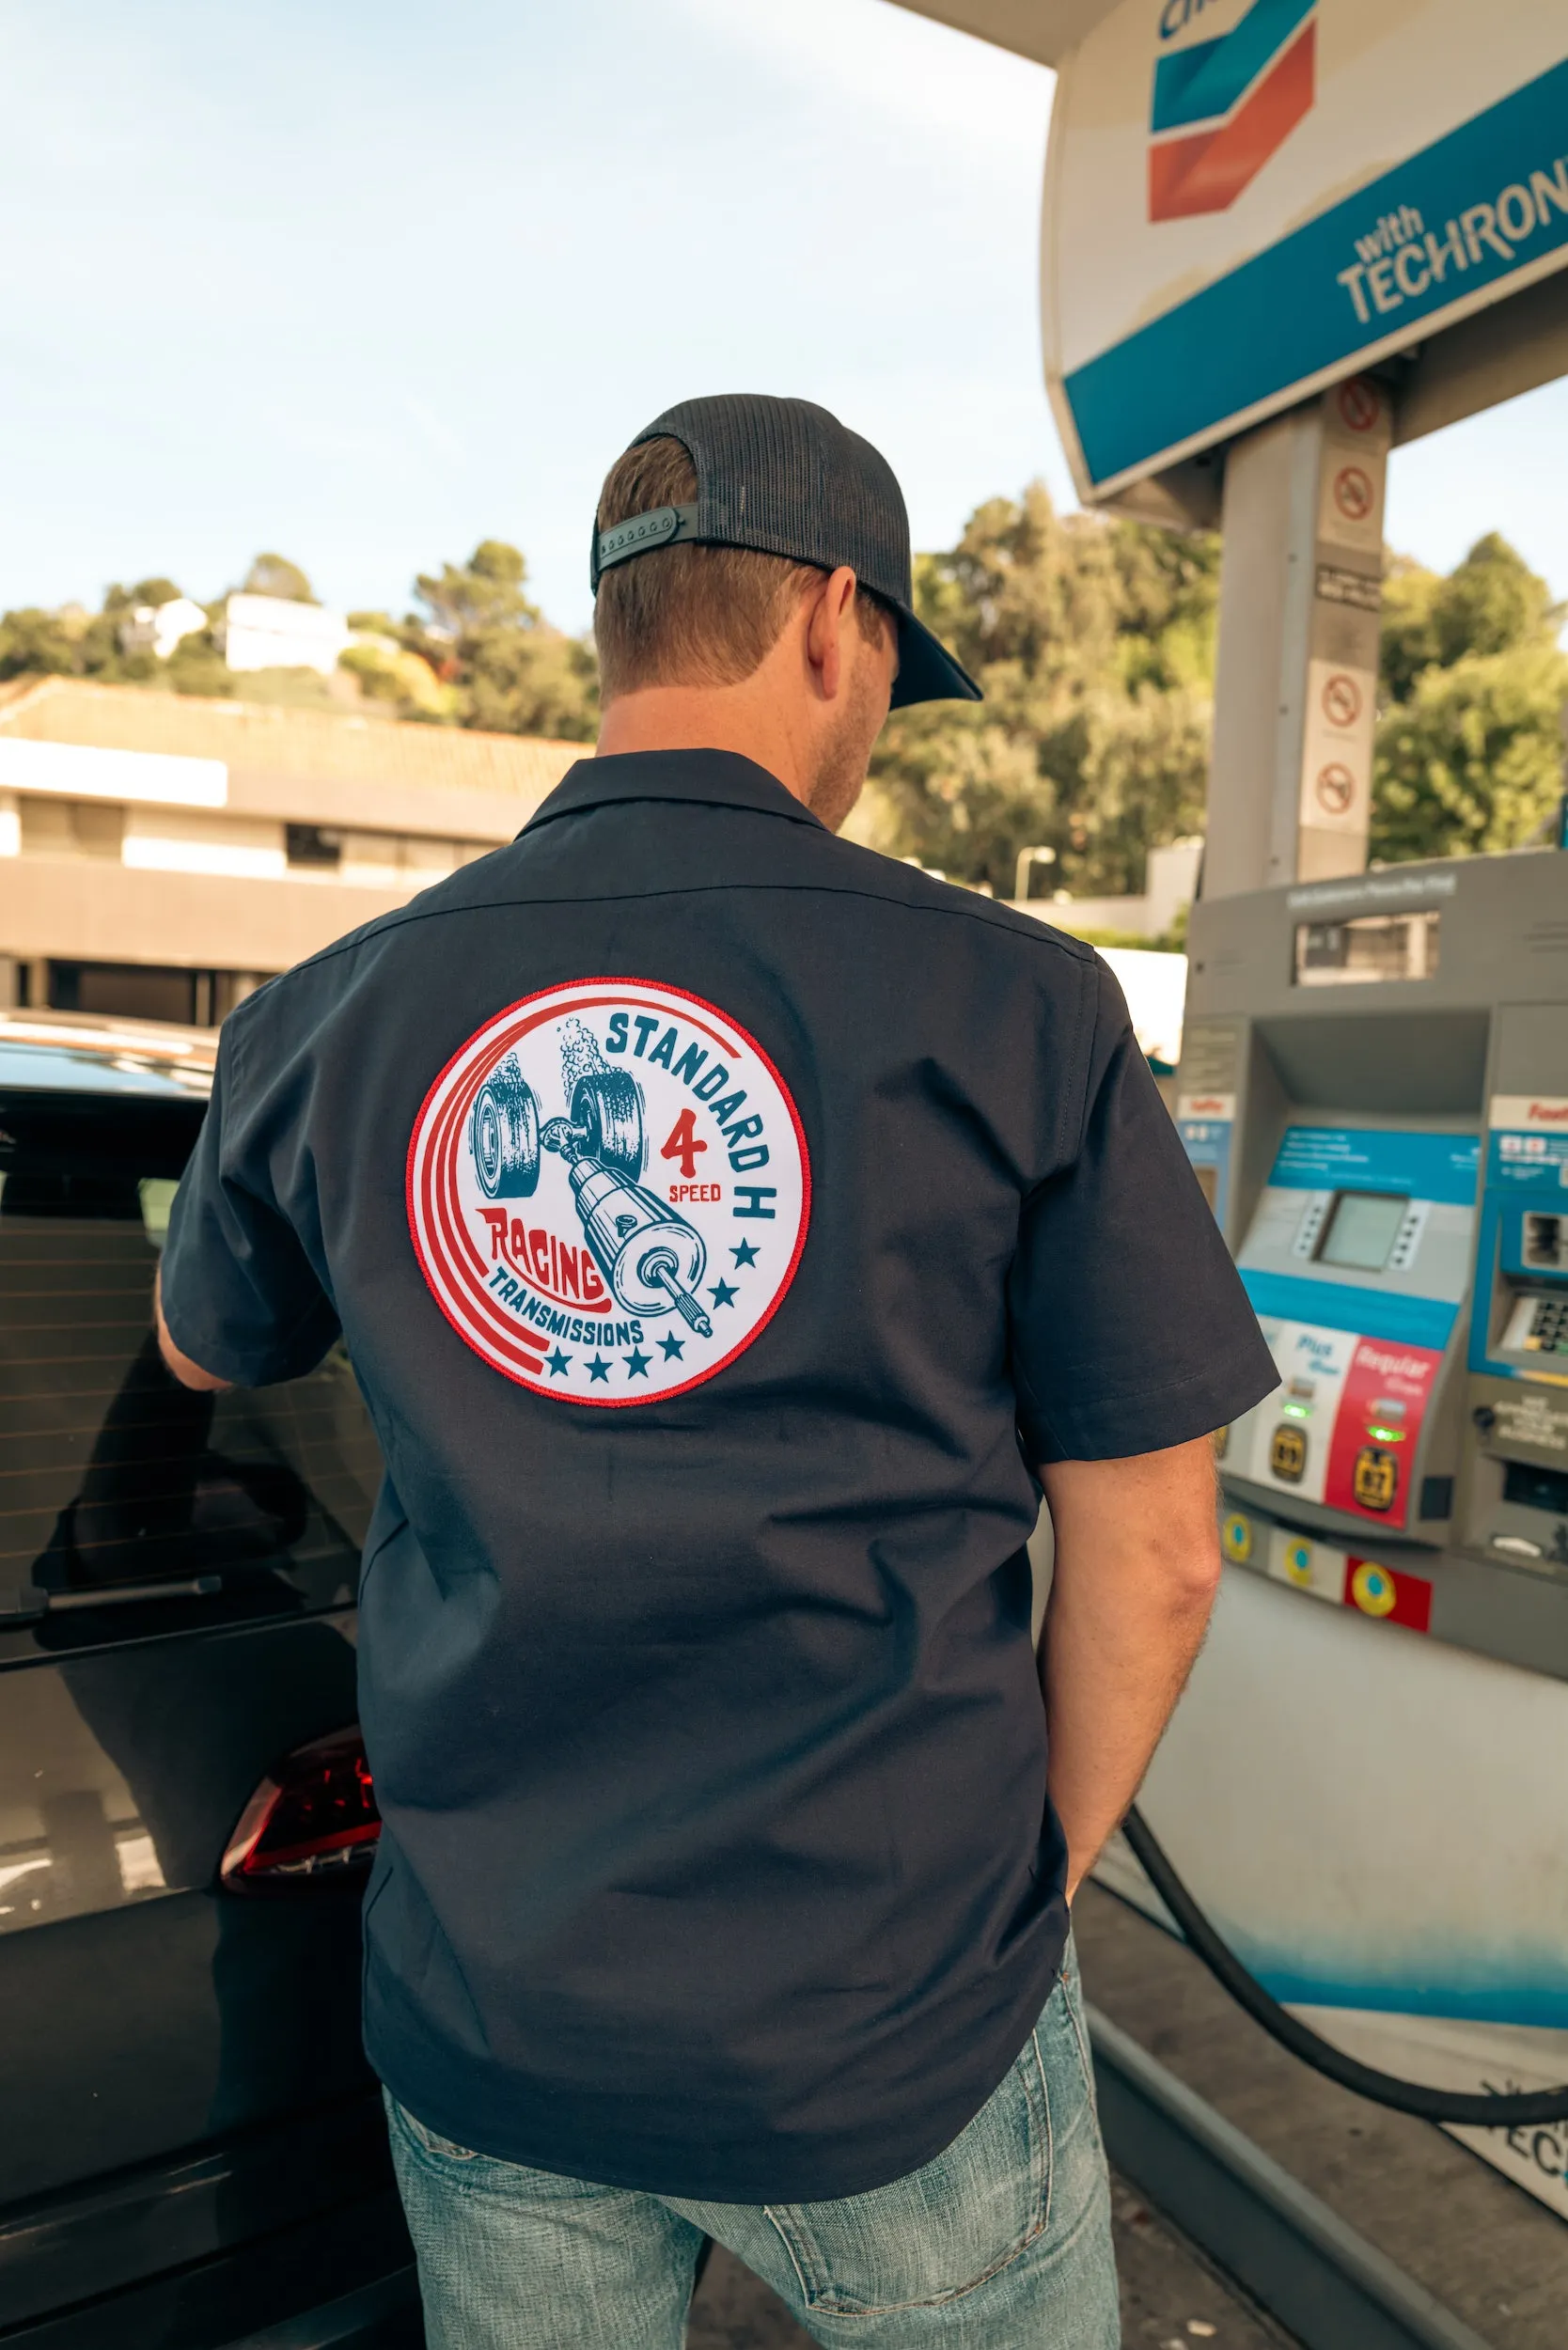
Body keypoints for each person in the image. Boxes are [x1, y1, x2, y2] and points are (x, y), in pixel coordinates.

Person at [157, 393, 1278, 2348]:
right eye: (883, 682)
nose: (871, 729)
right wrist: (1029, 1891)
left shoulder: (325, 1014)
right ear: (833, 623)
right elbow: (1160, 1553)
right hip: (894, 2008)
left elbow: (199, 1339)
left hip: (496, 2009)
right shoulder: (1017, 998)